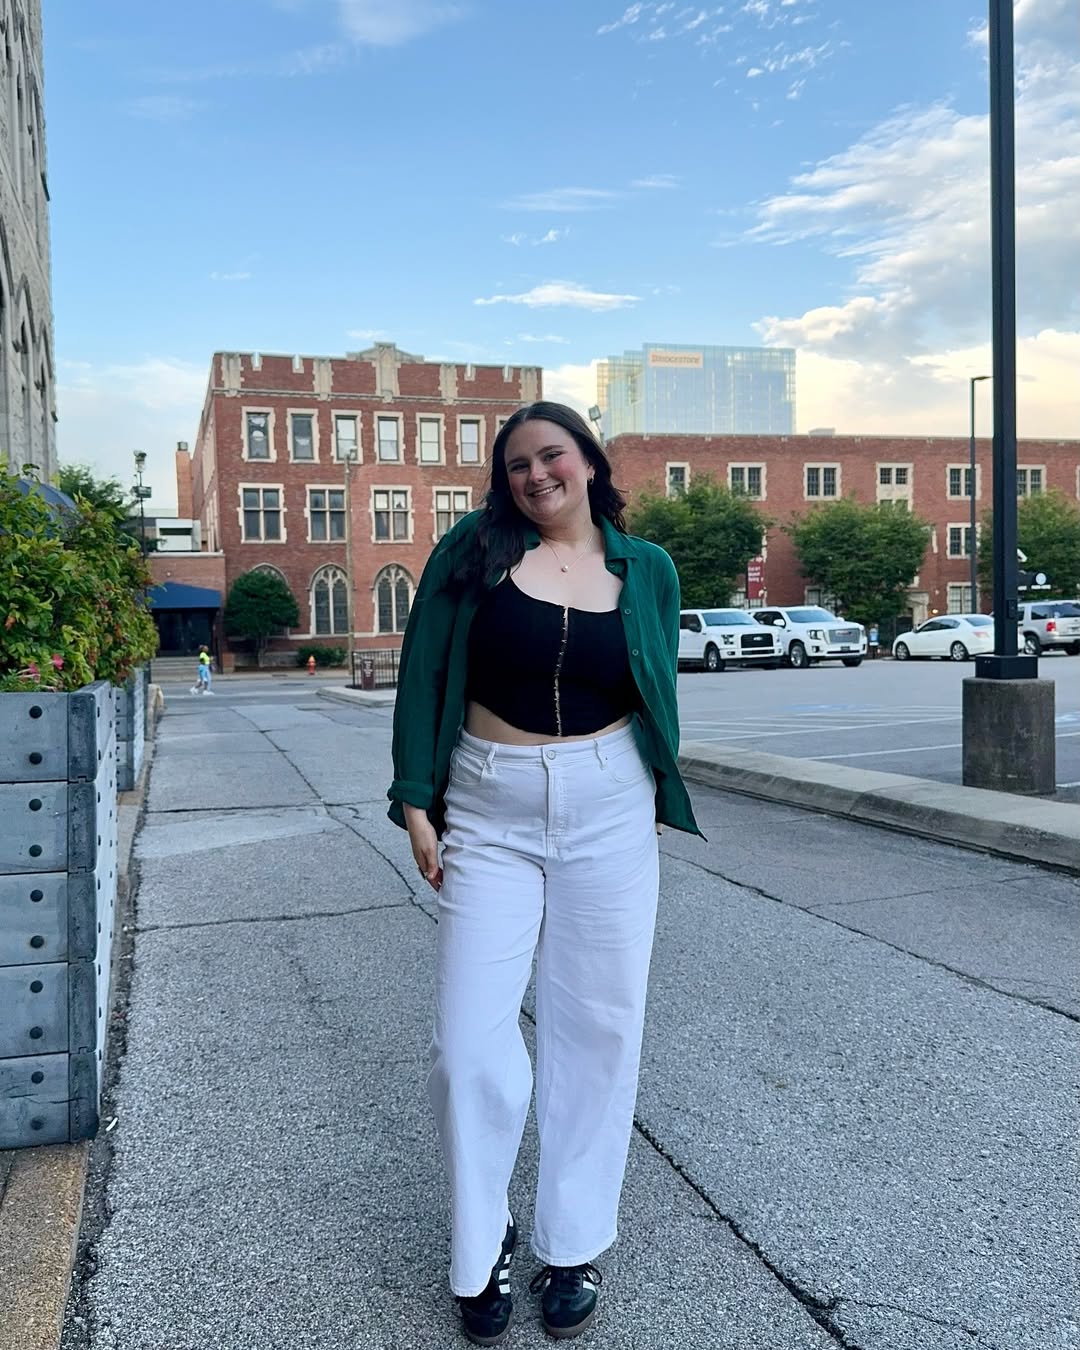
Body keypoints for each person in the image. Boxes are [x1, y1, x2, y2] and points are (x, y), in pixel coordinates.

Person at [387, 401, 702, 1345]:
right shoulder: (472, 553)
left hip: (610, 804)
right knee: (466, 1041)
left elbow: (656, 681)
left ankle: (573, 1245)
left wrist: (654, 786)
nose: (536, 475)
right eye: (517, 464)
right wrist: (415, 796)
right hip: (490, 804)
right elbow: (423, 671)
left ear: (589, 462)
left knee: (599, 1026)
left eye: (552, 455)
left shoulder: (647, 569)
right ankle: (481, 1241)